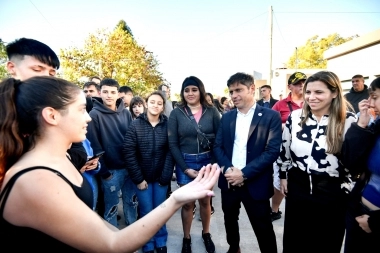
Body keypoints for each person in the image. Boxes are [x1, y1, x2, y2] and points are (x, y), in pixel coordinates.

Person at [0, 77, 221, 252]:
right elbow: (112, 243)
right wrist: (175, 200)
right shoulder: (35, 180)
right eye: (81, 110)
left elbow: (97, 227)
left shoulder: (62, 159)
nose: (88, 117)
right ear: (52, 115)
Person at [277, 71, 357, 253]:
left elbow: (355, 162)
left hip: (333, 191)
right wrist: (283, 175)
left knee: (327, 242)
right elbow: (285, 149)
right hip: (298, 186)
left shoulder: (349, 120)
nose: (311, 97)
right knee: (294, 241)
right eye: (308, 92)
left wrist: (347, 190)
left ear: (334, 93)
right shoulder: (296, 117)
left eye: (318, 92)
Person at [214, 72, 281, 253]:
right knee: (229, 220)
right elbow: (217, 147)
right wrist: (229, 170)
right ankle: (234, 248)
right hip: (229, 181)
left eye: (238, 90)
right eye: (231, 91)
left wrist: (243, 174)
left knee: (263, 227)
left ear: (252, 89)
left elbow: (272, 151)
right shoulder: (227, 117)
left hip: (256, 182)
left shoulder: (270, 116)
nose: (234, 95)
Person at [5, 37, 88, 171]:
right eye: (37, 69)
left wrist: (62, 159)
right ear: (12, 67)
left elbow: (79, 150)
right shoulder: (5, 109)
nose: (45, 77)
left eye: (51, 73)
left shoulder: (58, 103)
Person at [168, 76, 220, 253]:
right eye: (186, 90)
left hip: (207, 161)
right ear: (182, 93)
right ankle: (186, 238)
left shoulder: (212, 111)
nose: (190, 93)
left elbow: (219, 140)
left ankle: (206, 234)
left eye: (194, 89)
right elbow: (173, 144)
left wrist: (211, 166)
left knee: (206, 202)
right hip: (186, 161)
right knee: (188, 204)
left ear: (200, 90)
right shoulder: (176, 113)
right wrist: (185, 168)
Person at [123, 91, 174, 253]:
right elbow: (129, 152)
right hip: (142, 178)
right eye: (152, 102)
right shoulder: (136, 125)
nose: (155, 105)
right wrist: (138, 178)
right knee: (145, 211)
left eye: (159, 103)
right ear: (146, 103)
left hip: (160, 178)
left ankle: (160, 241)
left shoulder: (168, 125)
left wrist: (165, 176)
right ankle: (148, 243)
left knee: (160, 211)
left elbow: (170, 151)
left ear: (163, 106)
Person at [86, 78, 137, 228]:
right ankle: (112, 237)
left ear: (118, 94)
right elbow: (94, 146)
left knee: (131, 201)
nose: (109, 95)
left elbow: (131, 140)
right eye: (105, 92)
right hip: (111, 172)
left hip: (129, 168)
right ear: (100, 92)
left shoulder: (126, 113)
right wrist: (105, 173)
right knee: (112, 207)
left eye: (113, 92)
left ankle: (132, 232)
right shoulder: (94, 115)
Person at [341, 77, 380, 253]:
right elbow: (350, 161)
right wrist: (362, 125)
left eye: (374, 97)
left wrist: (375, 222)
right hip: (358, 212)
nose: (370, 103)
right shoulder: (376, 126)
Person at [270, 71, 306, 221]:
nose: (301, 85)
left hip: (306, 149)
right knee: (279, 181)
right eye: (297, 83)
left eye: (303, 82)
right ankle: (275, 209)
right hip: (284, 148)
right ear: (289, 86)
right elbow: (270, 125)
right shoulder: (280, 104)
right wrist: (284, 126)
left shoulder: (311, 101)